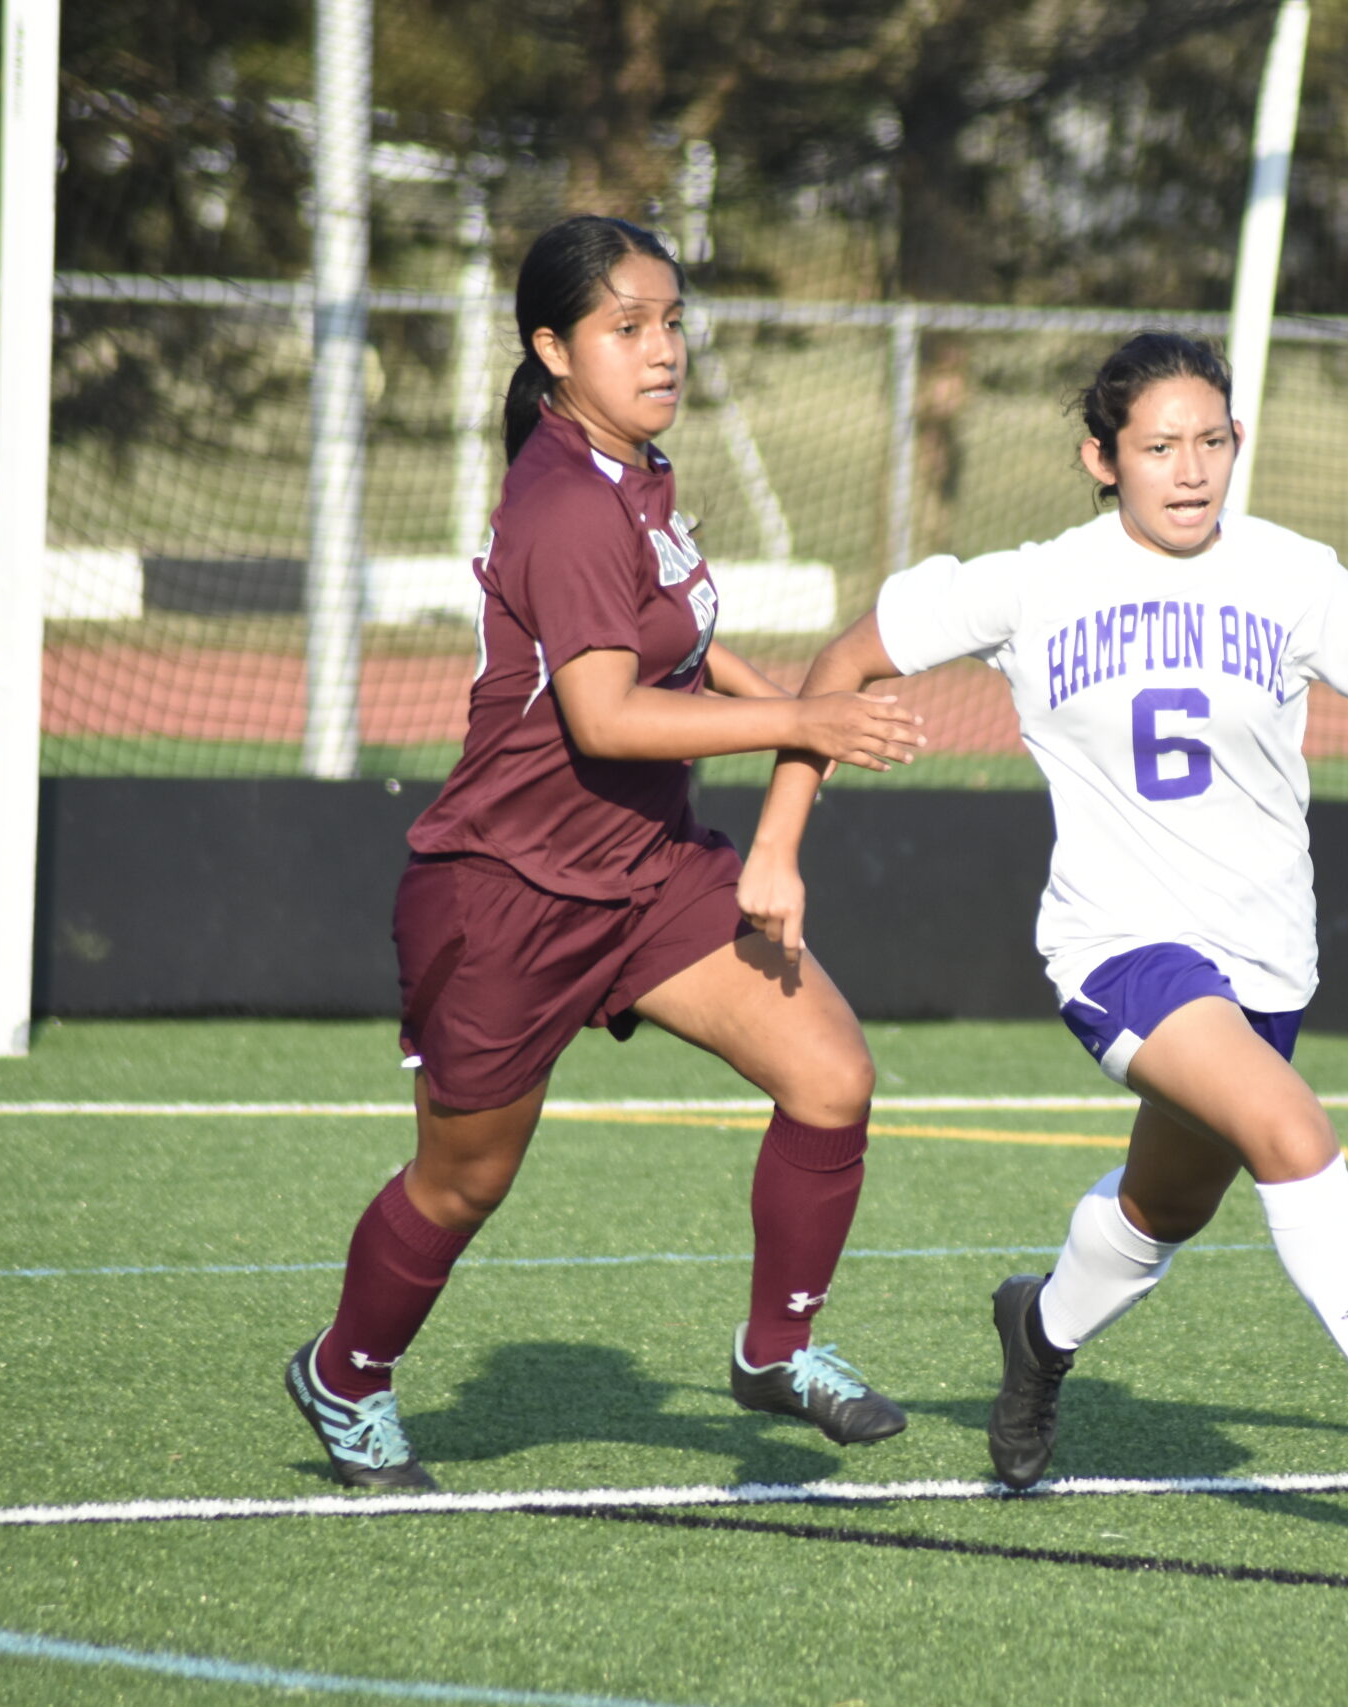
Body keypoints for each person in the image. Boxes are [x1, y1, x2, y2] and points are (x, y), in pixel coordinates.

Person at [738, 331, 1348, 1503]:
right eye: (1158, 447)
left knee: (1164, 1205)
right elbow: (848, 655)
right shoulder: (1035, 582)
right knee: (1290, 1132)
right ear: (1102, 457)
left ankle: (1037, 1338)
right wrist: (781, 835)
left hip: (1265, 958)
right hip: (1117, 948)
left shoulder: (1294, 575)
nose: (1189, 470)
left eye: (1212, 442)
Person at [284, 216, 927, 1490]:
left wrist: (802, 707)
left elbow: (679, 650)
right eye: (625, 327)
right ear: (553, 349)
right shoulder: (567, 501)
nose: (662, 347)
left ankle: (772, 1350)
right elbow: (604, 715)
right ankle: (344, 1371)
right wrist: (801, 719)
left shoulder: (638, 473)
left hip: (646, 872)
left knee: (831, 1077)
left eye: (672, 320)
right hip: (505, 897)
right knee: (463, 1183)